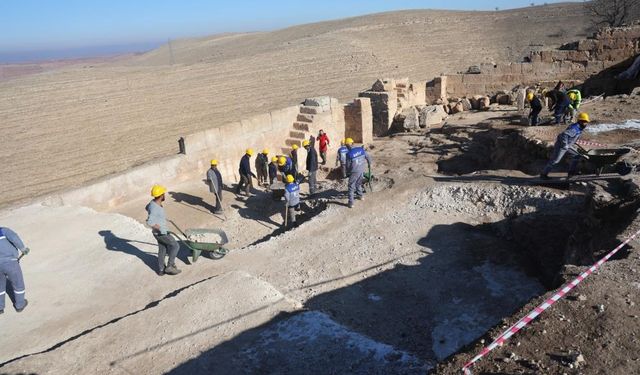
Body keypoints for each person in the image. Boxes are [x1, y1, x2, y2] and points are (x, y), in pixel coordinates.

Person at [540, 113, 591, 180]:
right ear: (581, 121)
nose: (586, 124)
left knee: (576, 155)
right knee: (555, 160)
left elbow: (572, 136)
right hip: (561, 145)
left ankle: (571, 172)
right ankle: (544, 174)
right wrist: (565, 145)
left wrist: (573, 143)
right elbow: (564, 135)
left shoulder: (579, 127)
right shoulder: (575, 128)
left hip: (568, 145)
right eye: (585, 122)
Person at [146, 185, 181, 276]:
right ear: (161, 195)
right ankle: (169, 266)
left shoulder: (152, 203)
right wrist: (159, 227)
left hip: (157, 233)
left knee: (162, 249)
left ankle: (161, 270)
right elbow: (149, 221)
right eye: (163, 194)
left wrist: (160, 219)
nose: (164, 195)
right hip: (161, 233)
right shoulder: (155, 208)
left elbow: (147, 208)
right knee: (175, 245)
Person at [0, 227, 30, 314]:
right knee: (18, 283)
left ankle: (0, 307)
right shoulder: (3, 230)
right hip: (10, 262)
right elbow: (14, 237)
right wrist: (23, 249)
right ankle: (20, 305)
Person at [345, 138, 372, 208]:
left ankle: (351, 203)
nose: (346, 147)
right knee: (358, 183)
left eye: (346, 145)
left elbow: (347, 166)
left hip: (354, 172)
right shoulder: (361, 149)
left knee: (351, 186)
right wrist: (369, 163)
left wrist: (347, 173)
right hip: (361, 170)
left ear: (348, 145)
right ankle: (360, 196)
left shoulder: (348, 154)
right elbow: (368, 156)